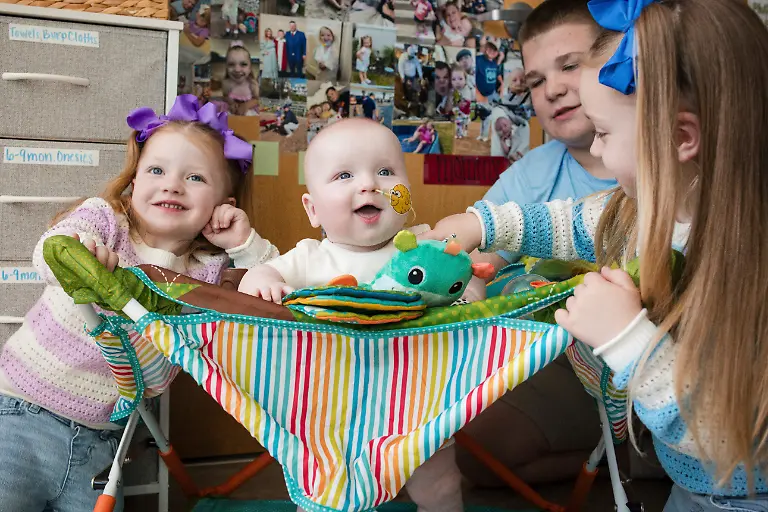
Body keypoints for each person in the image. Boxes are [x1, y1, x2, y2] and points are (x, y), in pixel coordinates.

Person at [424, 0, 768, 509]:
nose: (600, 154)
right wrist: (483, 223)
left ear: (680, 137)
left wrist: (627, 341)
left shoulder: (747, 263)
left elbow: (728, 439)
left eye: (605, 134)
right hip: (688, 486)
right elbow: (571, 221)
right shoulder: (649, 208)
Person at [0, 95, 278, 511]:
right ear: (134, 183)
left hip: (104, 444)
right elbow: (50, 253)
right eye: (157, 170)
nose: (172, 184)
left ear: (223, 206)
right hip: (20, 414)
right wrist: (83, 250)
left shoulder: (209, 271)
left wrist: (243, 244)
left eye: (196, 178)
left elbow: (274, 296)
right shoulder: (105, 222)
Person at [239, 118, 464, 512]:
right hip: (329, 412)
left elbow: (461, 282)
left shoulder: (421, 251)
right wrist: (262, 279)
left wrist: (469, 292)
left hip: (417, 405)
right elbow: (258, 280)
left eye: (385, 171)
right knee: (324, 492)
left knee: (441, 486)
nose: (369, 184)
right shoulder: (310, 257)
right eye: (344, 175)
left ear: (406, 193)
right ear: (312, 209)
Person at [454, 0, 618, 489]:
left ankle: (625, 456)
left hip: (647, 363)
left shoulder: (665, 170)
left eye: (570, 65)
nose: (554, 89)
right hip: (563, 369)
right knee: (474, 453)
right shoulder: (531, 174)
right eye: (536, 81)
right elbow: (470, 258)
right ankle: (620, 462)